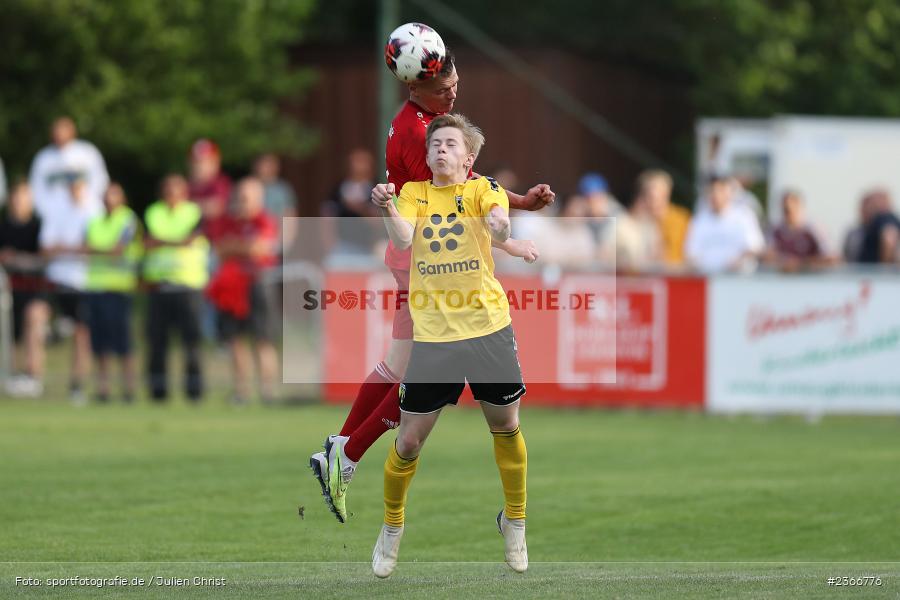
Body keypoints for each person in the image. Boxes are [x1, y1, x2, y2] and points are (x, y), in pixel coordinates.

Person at [308, 51, 553, 524]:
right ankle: (348, 454)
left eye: (455, 82)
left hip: (413, 254)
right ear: (413, 88)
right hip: (425, 259)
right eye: (443, 89)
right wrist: (518, 206)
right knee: (418, 377)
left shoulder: (418, 118)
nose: (452, 92)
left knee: (397, 364)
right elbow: (455, 205)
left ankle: (340, 451)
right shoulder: (421, 132)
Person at [371, 113, 529, 577]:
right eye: (435, 143)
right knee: (409, 441)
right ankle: (392, 529)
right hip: (436, 336)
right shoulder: (414, 194)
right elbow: (404, 237)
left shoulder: (485, 188)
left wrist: (502, 229)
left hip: (487, 329)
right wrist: (387, 208)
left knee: (506, 426)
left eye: (450, 144)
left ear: (468, 157)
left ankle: (515, 521)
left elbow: (498, 226)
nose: (440, 149)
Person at [208, 177, 280, 404]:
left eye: (247, 197)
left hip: (259, 284)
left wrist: (236, 247)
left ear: (258, 199)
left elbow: (259, 249)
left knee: (263, 340)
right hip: (233, 288)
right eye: (239, 197)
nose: (242, 202)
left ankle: (267, 391)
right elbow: (219, 249)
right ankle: (242, 392)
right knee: (235, 340)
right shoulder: (227, 221)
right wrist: (244, 248)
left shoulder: (264, 220)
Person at [143, 175, 209, 403]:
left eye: (176, 188)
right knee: (157, 342)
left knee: (191, 342)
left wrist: (162, 241)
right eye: (167, 188)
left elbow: (190, 240)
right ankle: (158, 393)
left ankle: (194, 392)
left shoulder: (194, 212)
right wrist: (175, 241)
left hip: (187, 286)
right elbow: (147, 242)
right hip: (159, 285)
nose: (171, 192)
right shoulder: (153, 212)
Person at [39, 176, 100, 403]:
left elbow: (96, 247)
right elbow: (46, 247)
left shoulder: (95, 210)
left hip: (86, 282)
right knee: (45, 323)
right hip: (60, 280)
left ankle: (77, 384)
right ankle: (35, 379)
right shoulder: (57, 211)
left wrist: (66, 248)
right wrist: (75, 249)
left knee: (82, 335)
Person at [84, 183, 141, 403]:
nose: (109, 200)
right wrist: (101, 250)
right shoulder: (95, 221)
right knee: (101, 343)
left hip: (120, 288)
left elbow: (118, 250)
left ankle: (128, 388)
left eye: (114, 195)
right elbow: (86, 248)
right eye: (107, 196)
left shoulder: (128, 220)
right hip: (97, 286)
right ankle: (104, 388)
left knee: (124, 342)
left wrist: (97, 250)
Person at [0, 181, 50, 397]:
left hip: (33, 288)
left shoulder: (39, 227)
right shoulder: (3, 227)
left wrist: (16, 259)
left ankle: (33, 377)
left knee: (35, 318)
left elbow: (44, 259)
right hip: (6, 290)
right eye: (16, 197)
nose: (19, 202)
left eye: (24, 197)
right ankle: (8, 375)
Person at [29, 116, 108, 218]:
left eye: (64, 129)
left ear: (73, 131)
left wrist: (87, 200)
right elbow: (36, 189)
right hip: (54, 217)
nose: (60, 134)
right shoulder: (43, 157)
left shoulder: (88, 152)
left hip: (86, 213)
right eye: (57, 130)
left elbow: (100, 180)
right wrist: (46, 211)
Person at [684, 175, 764, 274]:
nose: (715, 195)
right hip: (707, 279)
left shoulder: (744, 216)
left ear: (728, 192)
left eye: (720, 190)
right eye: (711, 191)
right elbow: (691, 253)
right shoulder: (699, 220)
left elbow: (755, 247)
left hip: (739, 279)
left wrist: (738, 262)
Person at [322, 148, 381, 256]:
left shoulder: (377, 189)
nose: (358, 166)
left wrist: (360, 208)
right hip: (341, 246)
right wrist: (329, 242)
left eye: (363, 162)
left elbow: (378, 221)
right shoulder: (338, 189)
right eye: (356, 161)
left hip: (368, 247)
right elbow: (328, 218)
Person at [764, 190, 833, 272]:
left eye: (790, 210)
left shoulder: (813, 230)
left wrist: (802, 263)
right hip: (782, 281)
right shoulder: (775, 231)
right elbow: (766, 256)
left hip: (810, 280)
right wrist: (782, 261)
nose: (788, 214)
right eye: (785, 210)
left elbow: (831, 257)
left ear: (799, 206)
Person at [638, 170, 690, 267]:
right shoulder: (638, 221)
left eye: (656, 192)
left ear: (667, 193)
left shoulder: (681, 219)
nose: (652, 198)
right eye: (648, 194)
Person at [252, 152, 298, 253]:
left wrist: (283, 241)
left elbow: (289, 216)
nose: (263, 168)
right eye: (261, 164)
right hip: (254, 240)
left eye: (268, 165)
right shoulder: (249, 186)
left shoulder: (283, 190)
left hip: (275, 240)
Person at [857, 189, 900, 264]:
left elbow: (889, 239)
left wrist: (885, 267)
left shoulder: (884, 217)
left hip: (875, 273)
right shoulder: (869, 225)